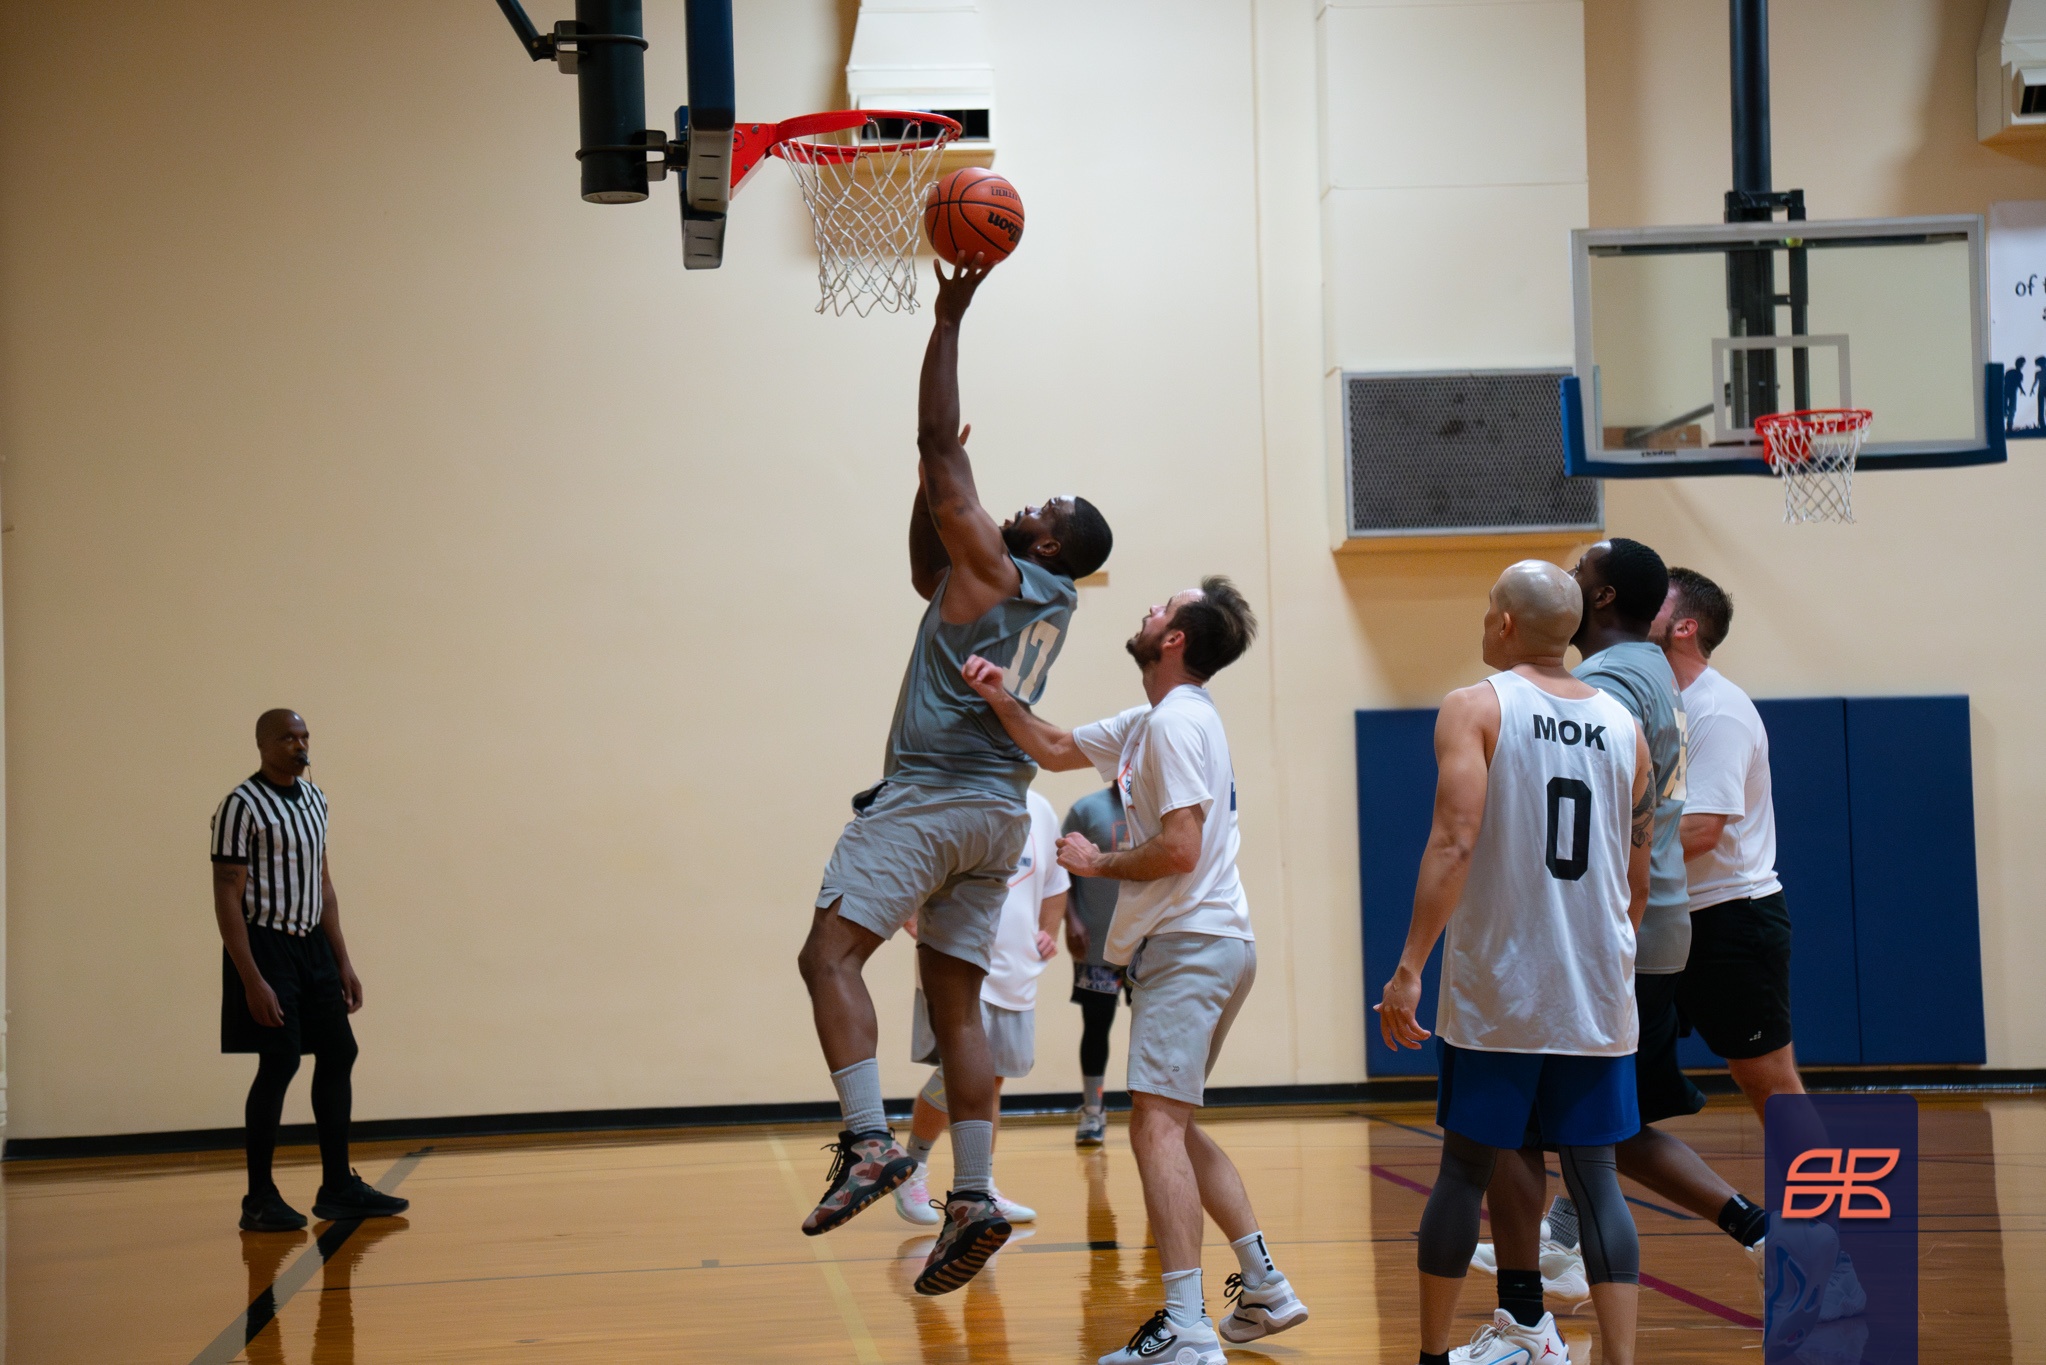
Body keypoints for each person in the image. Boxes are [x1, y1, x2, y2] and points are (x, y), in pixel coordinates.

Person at [793, 253, 1114, 1298]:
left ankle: (868, 1140)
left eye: (1041, 504)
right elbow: (923, 570)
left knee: (829, 957)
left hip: (931, 800)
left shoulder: (1003, 566)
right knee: (958, 1012)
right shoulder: (1039, 597)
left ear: (1050, 539)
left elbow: (939, 446)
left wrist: (948, 318)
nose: (1022, 501)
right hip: (998, 818)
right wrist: (927, 491)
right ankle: (972, 1196)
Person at [964, 576, 1311, 1365]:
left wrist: (1098, 862)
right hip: (1215, 942)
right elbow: (1056, 747)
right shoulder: (1156, 720)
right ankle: (1263, 1284)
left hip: (1190, 944)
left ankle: (1186, 1324)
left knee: (1153, 1125)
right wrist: (1000, 694)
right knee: (1173, 1123)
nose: (1149, 608)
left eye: (1163, 607)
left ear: (1175, 639)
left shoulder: (1177, 724)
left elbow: (1180, 847)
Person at [1469, 542, 1773, 1320]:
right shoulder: (1645, 670)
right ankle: (1754, 1233)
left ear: (1600, 598)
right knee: (1611, 1126)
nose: (1565, 582)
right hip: (1649, 928)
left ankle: (1528, 1312)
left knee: (1539, 1127)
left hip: (1614, 933)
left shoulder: (1604, 684)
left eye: (1577, 573)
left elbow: (1579, 824)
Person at [1377, 560, 1653, 1365]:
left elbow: (1454, 841)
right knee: (1597, 1179)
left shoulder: (1475, 706)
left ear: (1503, 622)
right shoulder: (1625, 726)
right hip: (1597, 987)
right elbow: (1637, 877)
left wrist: (1409, 966)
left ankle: (1433, 1356)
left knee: (1465, 1169)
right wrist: (1605, 959)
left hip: (1501, 985)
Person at [1650, 567, 1866, 1330]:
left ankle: (1833, 1263)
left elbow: (1703, 831)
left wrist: (1607, 848)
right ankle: (1568, 1236)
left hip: (1730, 920)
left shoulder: (1718, 709)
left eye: (1656, 597)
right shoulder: (1655, 704)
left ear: (1684, 625)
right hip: (1664, 920)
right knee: (1606, 1080)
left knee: (1772, 1085)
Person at [212, 709, 409, 1232]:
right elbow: (227, 893)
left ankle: (338, 1186)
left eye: (304, 737)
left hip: (312, 945)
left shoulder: (316, 800)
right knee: (279, 1062)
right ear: (262, 745)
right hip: (266, 945)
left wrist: (342, 959)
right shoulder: (240, 805)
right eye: (287, 738)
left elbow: (323, 882)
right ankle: (259, 1196)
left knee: (340, 1051)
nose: (300, 746)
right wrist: (251, 977)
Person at [893, 787, 1071, 1227]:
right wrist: (912, 916)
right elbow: (908, 863)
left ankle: (980, 1186)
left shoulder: (1040, 808)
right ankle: (912, 1166)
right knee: (960, 1072)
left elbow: (1056, 882)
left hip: (1016, 968)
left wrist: (1048, 931)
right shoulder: (954, 794)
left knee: (990, 1081)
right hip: (957, 959)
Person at [1062, 783, 1129, 1147]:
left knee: (1155, 1029)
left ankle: (1158, 1109)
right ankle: (1093, 1110)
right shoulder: (1086, 810)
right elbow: (1061, 873)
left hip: (1148, 946)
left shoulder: (1160, 807)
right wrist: (1070, 919)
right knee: (1096, 1026)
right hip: (1097, 944)